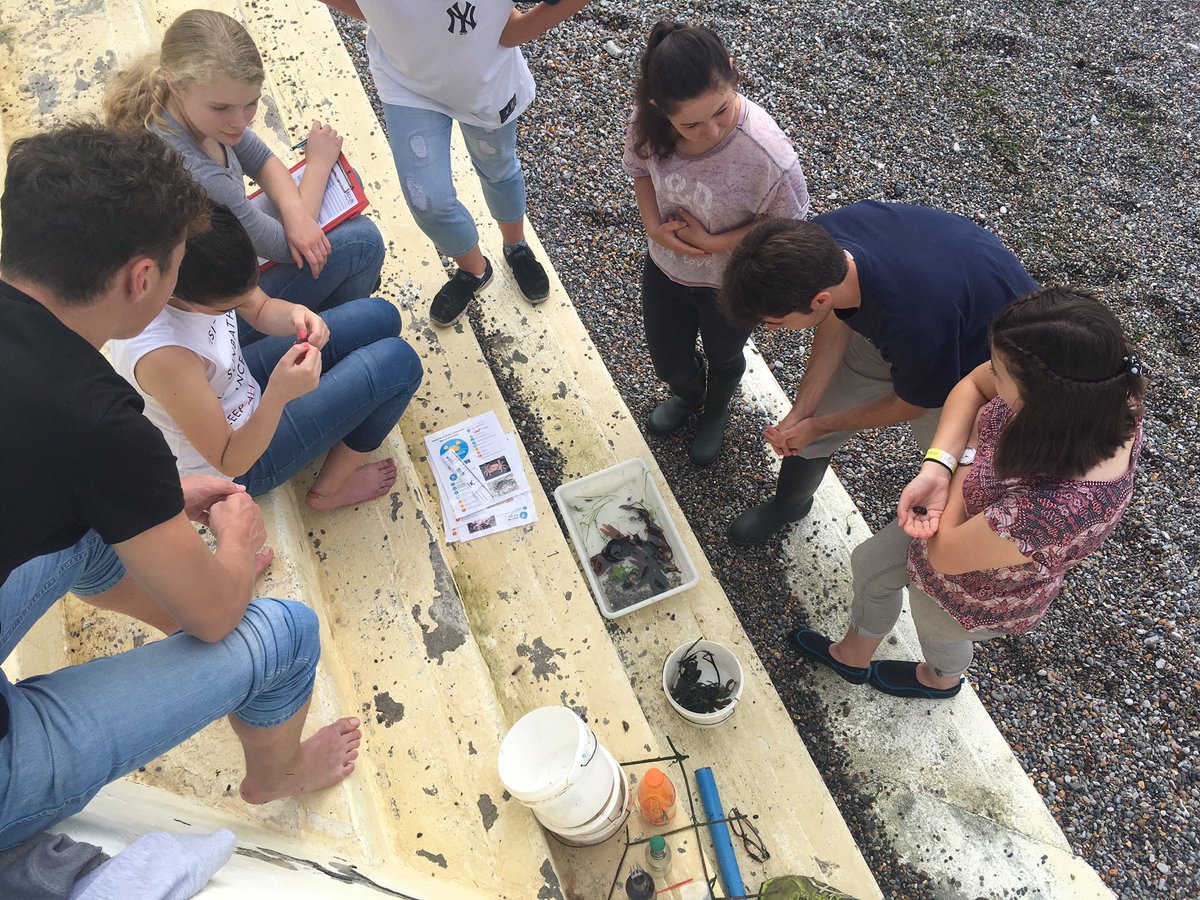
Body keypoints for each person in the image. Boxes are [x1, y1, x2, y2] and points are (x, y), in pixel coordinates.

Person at [0, 123, 361, 849]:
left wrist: (147, 508)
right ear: (143, 279)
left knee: (97, 528)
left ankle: (167, 603)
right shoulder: (101, 421)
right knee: (282, 632)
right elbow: (219, 615)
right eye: (175, 267)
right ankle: (278, 773)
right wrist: (236, 547)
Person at [790, 287, 1144, 699]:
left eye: (1000, 372)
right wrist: (938, 465)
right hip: (955, 522)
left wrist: (967, 453)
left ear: (1042, 403)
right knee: (869, 564)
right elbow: (974, 385)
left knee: (937, 631)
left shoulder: (1057, 508)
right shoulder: (1105, 393)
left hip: (975, 590)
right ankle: (852, 656)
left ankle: (942, 678)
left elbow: (946, 554)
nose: (989, 371)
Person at [719, 203, 1039, 543]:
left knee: (950, 458)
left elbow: (912, 404)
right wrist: (804, 411)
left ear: (819, 299)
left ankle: (938, 522)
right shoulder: (819, 242)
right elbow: (839, 312)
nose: (771, 330)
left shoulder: (914, 323)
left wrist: (821, 425)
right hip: (928, 311)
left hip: (991, 365)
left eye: (776, 322)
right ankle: (788, 505)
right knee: (818, 415)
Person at [110, 204, 423, 512]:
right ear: (176, 292)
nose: (239, 306)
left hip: (241, 386)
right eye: (226, 308)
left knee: (382, 316)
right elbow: (229, 459)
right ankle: (330, 490)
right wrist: (278, 394)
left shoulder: (190, 238)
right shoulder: (164, 356)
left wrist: (296, 315)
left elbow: (259, 308)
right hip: (238, 462)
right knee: (400, 362)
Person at [104, 9, 385, 342]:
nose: (240, 121)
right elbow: (286, 247)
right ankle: (330, 337)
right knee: (362, 242)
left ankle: (337, 316)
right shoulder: (193, 172)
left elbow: (262, 159)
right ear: (176, 85)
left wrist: (296, 211)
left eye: (251, 103)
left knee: (343, 196)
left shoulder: (183, 109)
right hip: (217, 303)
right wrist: (318, 166)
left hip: (223, 254)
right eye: (222, 108)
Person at [317, 0, 589, 327]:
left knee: (498, 167)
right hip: (407, 80)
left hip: (482, 80)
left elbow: (514, 26)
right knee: (426, 199)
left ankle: (516, 245)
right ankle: (475, 269)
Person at [624, 21, 810, 466]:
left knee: (725, 355)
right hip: (666, 268)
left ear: (731, 70)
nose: (711, 131)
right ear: (659, 109)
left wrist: (714, 241)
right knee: (668, 360)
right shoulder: (646, 124)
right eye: (690, 124)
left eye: (721, 111)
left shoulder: (767, 154)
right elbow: (640, 170)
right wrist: (652, 226)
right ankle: (689, 393)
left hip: (729, 283)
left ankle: (716, 409)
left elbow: (785, 224)